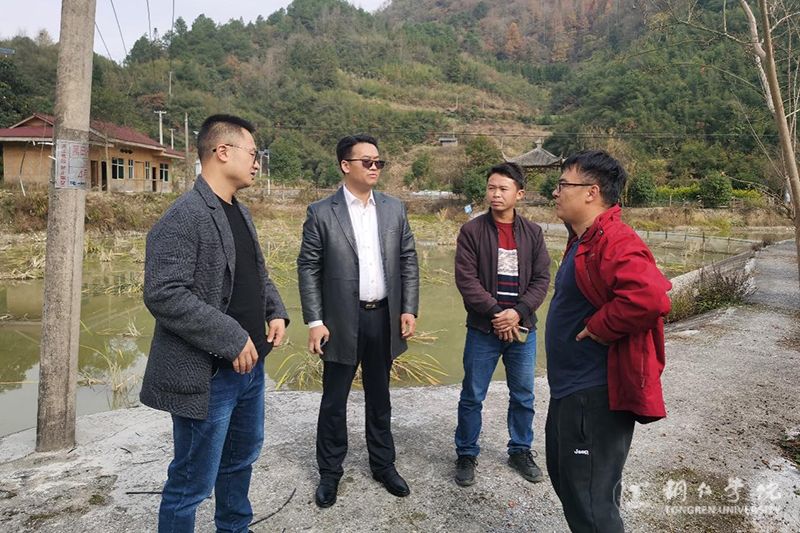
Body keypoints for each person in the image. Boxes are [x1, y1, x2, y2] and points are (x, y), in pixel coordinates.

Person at [140, 114, 289, 533]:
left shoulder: (240, 213)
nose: (257, 162)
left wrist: (275, 311)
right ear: (222, 152)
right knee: (192, 482)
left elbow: (256, 274)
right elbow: (163, 293)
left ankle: (235, 528)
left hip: (250, 370)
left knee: (240, 461)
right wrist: (231, 337)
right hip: (208, 375)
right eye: (253, 153)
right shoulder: (184, 215)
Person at [545, 150, 671, 532]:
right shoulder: (584, 239)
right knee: (572, 485)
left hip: (594, 394)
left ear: (591, 192)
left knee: (591, 503)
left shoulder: (614, 239)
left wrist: (601, 325)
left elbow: (650, 297)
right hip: (571, 390)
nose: (555, 192)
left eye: (563, 184)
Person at [297, 133, 419, 508]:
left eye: (378, 161)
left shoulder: (394, 209)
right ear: (345, 165)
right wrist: (315, 321)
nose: (374, 167)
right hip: (339, 322)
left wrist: (408, 308)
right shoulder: (322, 212)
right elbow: (308, 267)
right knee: (334, 400)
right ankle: (330, 472)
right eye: (367, 161)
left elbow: (408, 260)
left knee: (380, 397)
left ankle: (383, 465)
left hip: (383, 317)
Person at [453, 162, 551, 487]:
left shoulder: (533, 233)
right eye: (491, 188)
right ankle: (466, 453)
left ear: (519, 194)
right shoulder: (472, 232)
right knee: (472, 394)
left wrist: (518, 313)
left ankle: (520, 450)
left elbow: (541, 279)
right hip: (484, 329)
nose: (495, 194)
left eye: (503, 189)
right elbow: (466, 280)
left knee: (523, 395)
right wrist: (497, 313)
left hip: (522, 329)